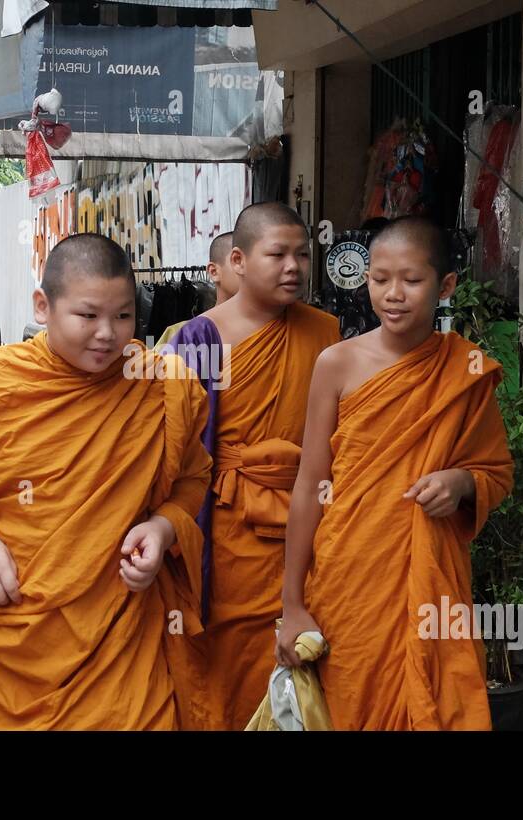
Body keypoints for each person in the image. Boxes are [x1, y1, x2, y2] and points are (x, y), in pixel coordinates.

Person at [0, 233, 212, 729]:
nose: (108, 333)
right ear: (43, 306)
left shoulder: (161, 386)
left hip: (120, 638)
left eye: (124, 315)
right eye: (87, 316)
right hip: (3, 633)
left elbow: (192, 479)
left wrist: (163, 528)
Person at [276, 216, 514, 730]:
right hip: (348, 578)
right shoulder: (336, 364)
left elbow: (494, 470)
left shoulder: (466, 369)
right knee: (354, 704)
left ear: (446, 285)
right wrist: (291, 603)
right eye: (380, 279)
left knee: (437, 700)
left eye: (412, 280)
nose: (393, 294)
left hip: (427, 578)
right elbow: (309, 484)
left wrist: (461, 483)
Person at [162, 202, 340, 730]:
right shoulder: (198, 339)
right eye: (278, 254)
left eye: (303, 255)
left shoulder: (324, 330)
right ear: (238, 260)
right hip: (229, 530)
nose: (294, 267)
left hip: (315, 521)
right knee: (234, 667)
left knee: (307, 663)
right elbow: (175, 449)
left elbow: (340, 435)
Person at [153, 232, 238, 350]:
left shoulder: (269, 334)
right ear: (214, 272)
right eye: (237, 260)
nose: (247, 268)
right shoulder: (183, 334)